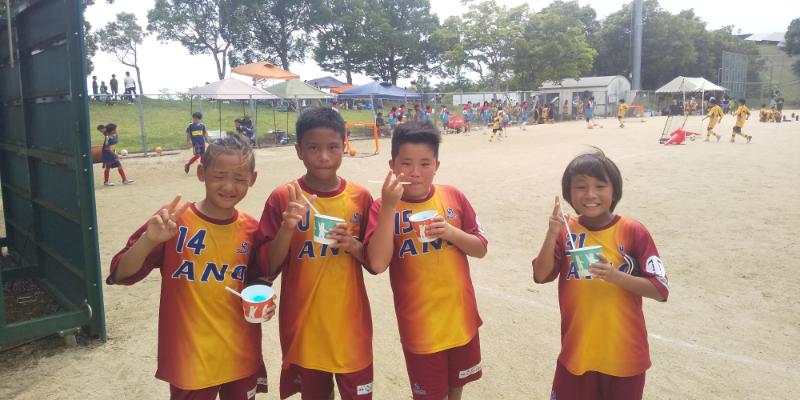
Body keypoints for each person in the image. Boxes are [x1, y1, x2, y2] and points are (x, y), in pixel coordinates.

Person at [106, 135, 271, 399]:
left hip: (240, 352)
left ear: (252, 179)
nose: (229, 186)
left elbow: (258, 282)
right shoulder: (174, 220)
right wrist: (149, 240)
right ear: (201, 173)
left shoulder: (251, 229)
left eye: (240, 179)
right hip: (190, 357)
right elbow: (120, 273)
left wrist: (265, 304)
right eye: (219, 176)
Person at [255, 107, 374, 400]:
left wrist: (353, 244)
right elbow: (268, 267)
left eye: (332, 147)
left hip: (350, 325)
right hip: (305, 326)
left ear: (344, 146)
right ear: (299, 150)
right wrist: (287, 227)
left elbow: (375, 260)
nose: (323, 156)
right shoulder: (284, 197)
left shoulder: (360, 197)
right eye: (313, 148)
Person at [531, 148, 669, 400]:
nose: (590, 194)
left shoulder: (633, 231)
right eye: (580, 187)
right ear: (569, 193)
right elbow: (541, 275)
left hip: (625, 357)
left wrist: (616, 277)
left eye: (600, 186)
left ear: (614, 191)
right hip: (577, 352)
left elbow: (661, 290)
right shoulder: (566, 230)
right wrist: (552, 233)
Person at [365, 121, 488, 400]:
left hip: (460, 319)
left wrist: (450, 232)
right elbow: (377, 264)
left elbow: (480, 248)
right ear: (392, 166)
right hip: (420, 327)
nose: (415, 173)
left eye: (425, 164)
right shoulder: (382, 206)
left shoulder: (453, 196)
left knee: (456, 388)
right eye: (406, 163)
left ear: (437, 166)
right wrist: (388, 207)